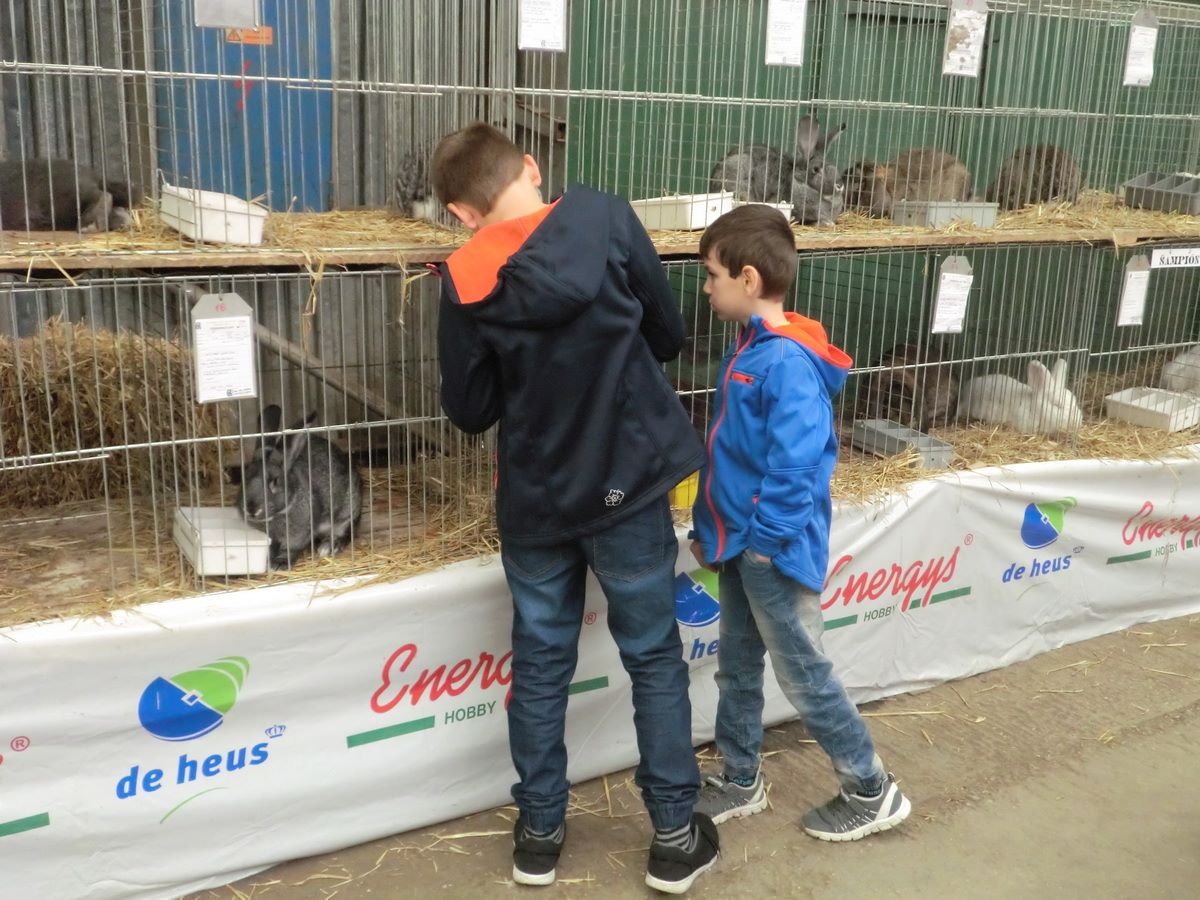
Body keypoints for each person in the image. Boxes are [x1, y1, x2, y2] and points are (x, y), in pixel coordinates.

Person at [430, 122, 719, 894]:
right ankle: (673, 835)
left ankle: (539, 835)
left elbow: (470, 410)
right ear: (530, 167)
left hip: (538, 495)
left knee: (541, 661)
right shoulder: (604, 217)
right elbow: (668, 333)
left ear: (462, 213)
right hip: (628, 477)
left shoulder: (463, 278)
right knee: (652, 654)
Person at [689, 204, 912, 840]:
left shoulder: (784, 361)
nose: (706, 288)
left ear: (748, 279)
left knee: (804, 672)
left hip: (771, 551)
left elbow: (797, 466)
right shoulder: (751, 348)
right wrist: (716, 531)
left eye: (711, 276)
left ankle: (870, 788)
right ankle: (740, 776)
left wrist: (763, 545)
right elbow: (736, 456)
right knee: (736, 665)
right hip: (742, 543)